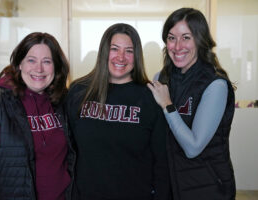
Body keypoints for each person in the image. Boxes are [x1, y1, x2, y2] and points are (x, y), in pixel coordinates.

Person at [0, 32, 75, 200]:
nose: (39, 69)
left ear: (56, 67)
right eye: (31, 60)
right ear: (20, 63)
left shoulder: (63, 102)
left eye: (47, 62)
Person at [66, 23, 170, 200]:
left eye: (129, 51)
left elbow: (162, 161)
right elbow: (67, 150)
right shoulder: (78, 91)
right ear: (104, 52)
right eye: (115, 49)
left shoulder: (150, 96)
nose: (121, 57)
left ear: (136, 56)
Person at [147, 8, 236, 200]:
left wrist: (167, 105)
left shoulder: (215, 85)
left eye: (186, 37)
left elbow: (193, 147)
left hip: (207, 188)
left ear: (199, 40)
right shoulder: (160, 78)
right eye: (171, 38)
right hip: (169, 186)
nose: (177, 46)